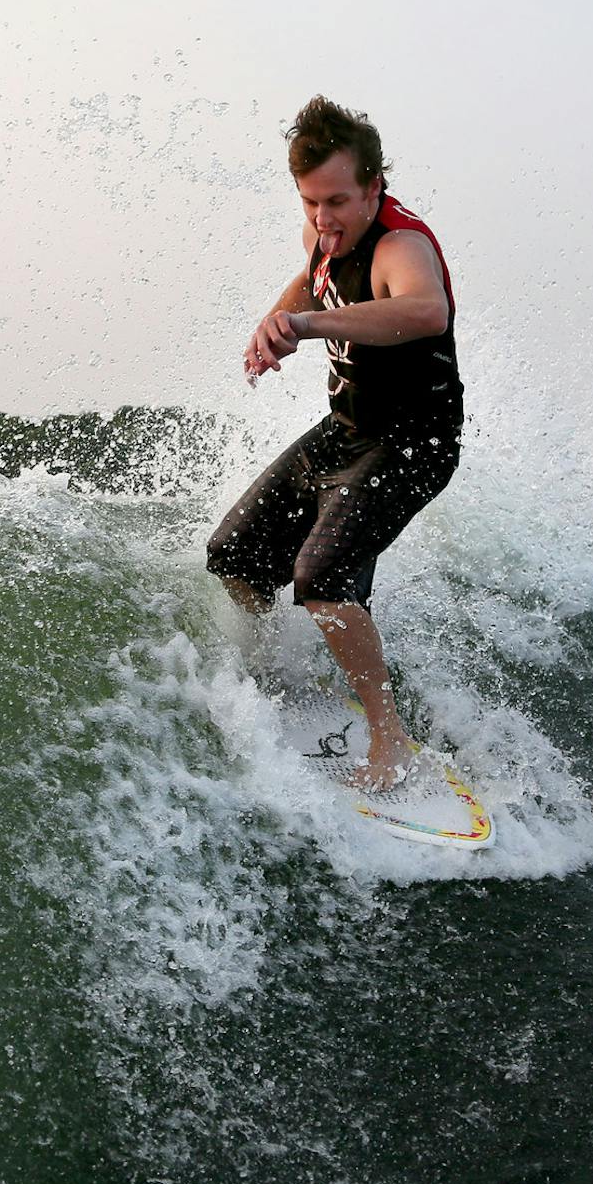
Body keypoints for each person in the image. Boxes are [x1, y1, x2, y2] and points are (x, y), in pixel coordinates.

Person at [206, 96, 463, 793]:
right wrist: (274, 322)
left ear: (374, 187)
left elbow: (425, 309)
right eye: (311, 202)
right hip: (346, 430)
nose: (323, 219)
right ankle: (279, 674)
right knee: (234, 556)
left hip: (413, 441)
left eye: (338, 202)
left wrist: (313, 325)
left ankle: (390, 740)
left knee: (320, 579)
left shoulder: (399, 246)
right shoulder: (324, 236)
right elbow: (308, 283)